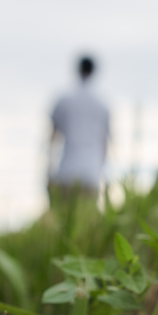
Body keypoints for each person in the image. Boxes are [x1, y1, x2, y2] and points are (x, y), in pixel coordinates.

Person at [47, 55, 111, 208]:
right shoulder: (102, 104)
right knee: (87, 218)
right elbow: (105, 143)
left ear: (77, 70)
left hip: (66, 172)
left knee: (62, 217)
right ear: (94, 72)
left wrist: (49, 172)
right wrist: (103, 174)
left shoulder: (64, 99)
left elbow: (53, 138)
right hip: (91, 174)